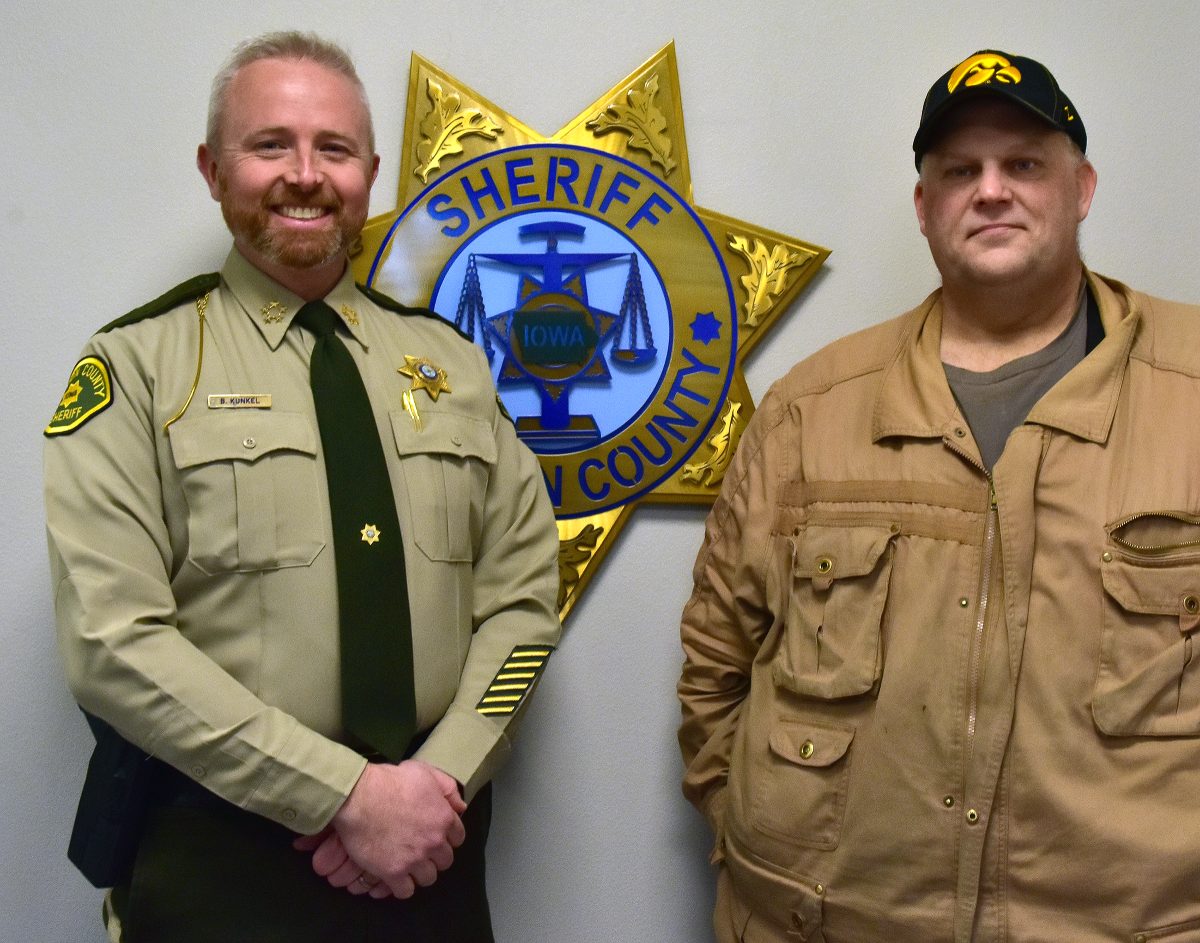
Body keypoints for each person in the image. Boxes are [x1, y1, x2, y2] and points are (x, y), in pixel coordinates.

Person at [44, 31, 560, 943]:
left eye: (334, 148)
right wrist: (342, 795)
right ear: (213, 168)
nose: (305, 174)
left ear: (367, 170)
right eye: (270, 144)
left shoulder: (455, 367)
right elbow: (110, 640)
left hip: (430, 854)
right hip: (218, 856)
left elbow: (522, 608)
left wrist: (438, 781)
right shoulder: (136, 367)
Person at [677, 49, 1200, 942]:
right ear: (925, 209)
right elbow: (715, 666)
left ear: (1083, 189)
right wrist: (755, 831)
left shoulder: (1186, 392)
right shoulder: (815, 408)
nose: (991, 190)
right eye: (961, 171)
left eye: (1025, 164)